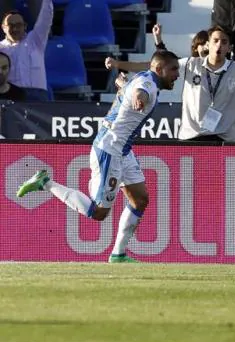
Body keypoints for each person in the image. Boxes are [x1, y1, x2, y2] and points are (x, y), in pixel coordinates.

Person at [15, 51, 181, 263]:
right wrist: (140, 98)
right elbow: (141, 93)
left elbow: (131, 87)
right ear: (159, 69)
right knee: (98, 212)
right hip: (110, 150)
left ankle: (118, 254)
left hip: (123, 150)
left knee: (140, 199)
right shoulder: (147, 85)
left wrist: (124, 87)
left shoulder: (144, 78)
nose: (177, 74)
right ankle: (45, 183)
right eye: (173, 69)